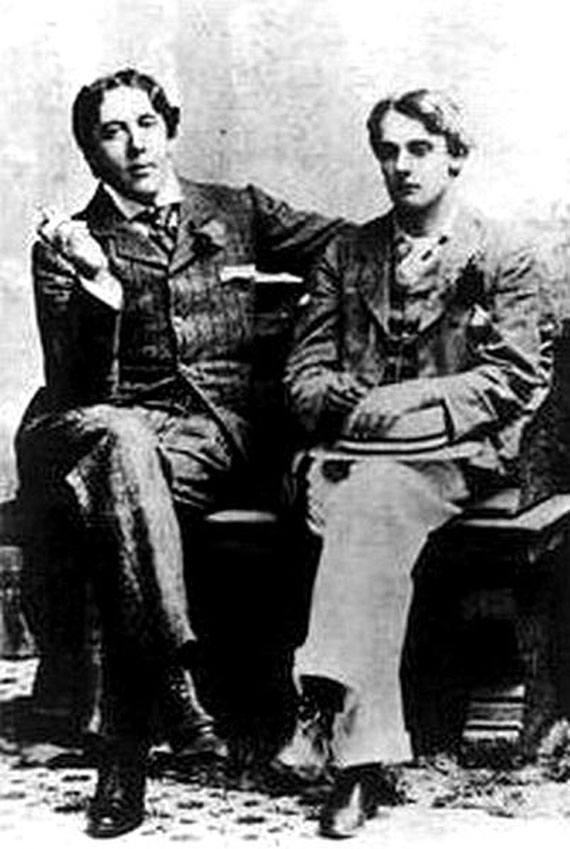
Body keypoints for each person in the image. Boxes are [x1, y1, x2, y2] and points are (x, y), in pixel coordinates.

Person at [15, 67, 345, 838]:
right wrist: (98, 280)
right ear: (90, 153)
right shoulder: (67, 244)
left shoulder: (238, 210)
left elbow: (353, 247)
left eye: (146, 124)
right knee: (123, 441)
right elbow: (75, 385)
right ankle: (167, 685)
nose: (135, 145)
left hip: (208, 437)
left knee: (129, 486)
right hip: (85, 430)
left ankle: (129, 743)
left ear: (170, 127)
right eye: (112, 132)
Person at [279, 88, 549, 838]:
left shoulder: (504, 253)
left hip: (454, 457)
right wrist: (349, 400)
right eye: (389, 151)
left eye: (420, 149)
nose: (401, 165)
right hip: (348, 456)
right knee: (365, 502)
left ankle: (338, 733)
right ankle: (350, 741)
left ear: (455, 157)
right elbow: (303, 376)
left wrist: (411, 399)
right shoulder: (347, 253)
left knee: (366, 506)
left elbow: (515, 376)